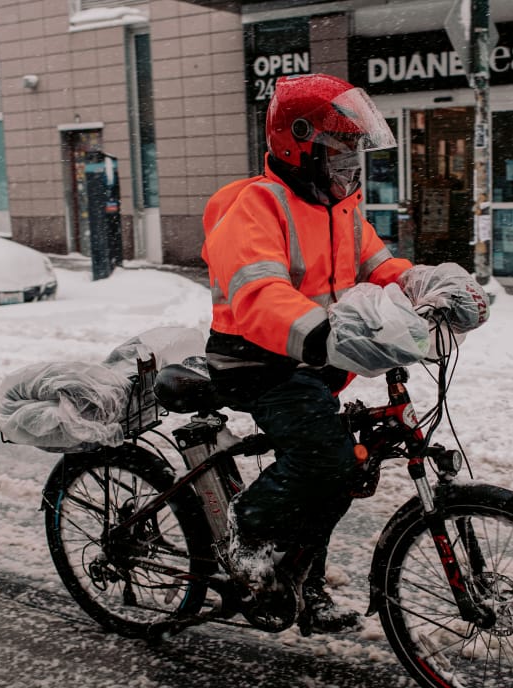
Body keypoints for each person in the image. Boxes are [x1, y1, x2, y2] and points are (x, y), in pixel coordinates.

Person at [200, 73, 487, 635]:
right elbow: (259, 294)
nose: (350, 166)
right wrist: (324, 333)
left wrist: (428, 286)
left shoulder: (340, 208)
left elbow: (380, 267)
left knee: (344, 472)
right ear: (299, 145)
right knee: (326, 462)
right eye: (339, 152)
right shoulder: (258, 206)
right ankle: (247, 533)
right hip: (256, 359)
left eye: (355, 152)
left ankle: (302, 582)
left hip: (315, 358)